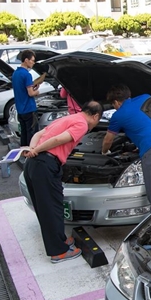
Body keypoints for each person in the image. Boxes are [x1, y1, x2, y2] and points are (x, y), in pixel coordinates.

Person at [23, 101, 103, 263]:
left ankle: (60, 240)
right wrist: (37, 150)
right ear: (95, 116)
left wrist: (32, 149)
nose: (96, 124)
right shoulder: (81, 124)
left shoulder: (67, 118)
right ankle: (58, 252)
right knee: (52, 208)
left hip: (33, 165)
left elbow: (39, 134)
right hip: (45, 165)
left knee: (46, 207)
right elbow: (59, 140)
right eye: (98, 120)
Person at [13, 50, 47, 147]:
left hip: (20, 108)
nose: (33, 63)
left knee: (24, 133)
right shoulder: (27, 74)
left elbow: (22, 89)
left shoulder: (16, 73)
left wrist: (33, 87)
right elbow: (31, 93)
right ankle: (31, 153)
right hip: (29, 108)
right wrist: (37, 91)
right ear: (26, 60)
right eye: (32, 60)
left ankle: (23, 151)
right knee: (32, 133)